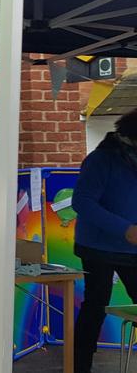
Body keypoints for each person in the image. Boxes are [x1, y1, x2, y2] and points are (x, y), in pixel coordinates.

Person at [73, 108, 137, 373]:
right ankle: (78, 366)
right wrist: (125, 229)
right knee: (96, 305)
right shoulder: (101, 159)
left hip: (130, 247)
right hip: (98, 247)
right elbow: (82, 202)